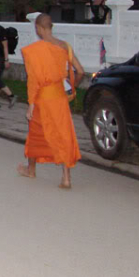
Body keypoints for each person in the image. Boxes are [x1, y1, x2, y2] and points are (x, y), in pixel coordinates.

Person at [17, 13, 84, 189]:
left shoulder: (34, 51)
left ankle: (31, 170)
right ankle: (66, 177)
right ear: (51, 27)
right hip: (60, 97)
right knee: (64, 135)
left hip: (42, 99)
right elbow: (80, 71)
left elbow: (34, 80)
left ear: (38, 28)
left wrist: (30, 104)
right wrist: (71, 87)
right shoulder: (65, 46)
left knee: (35, 134)